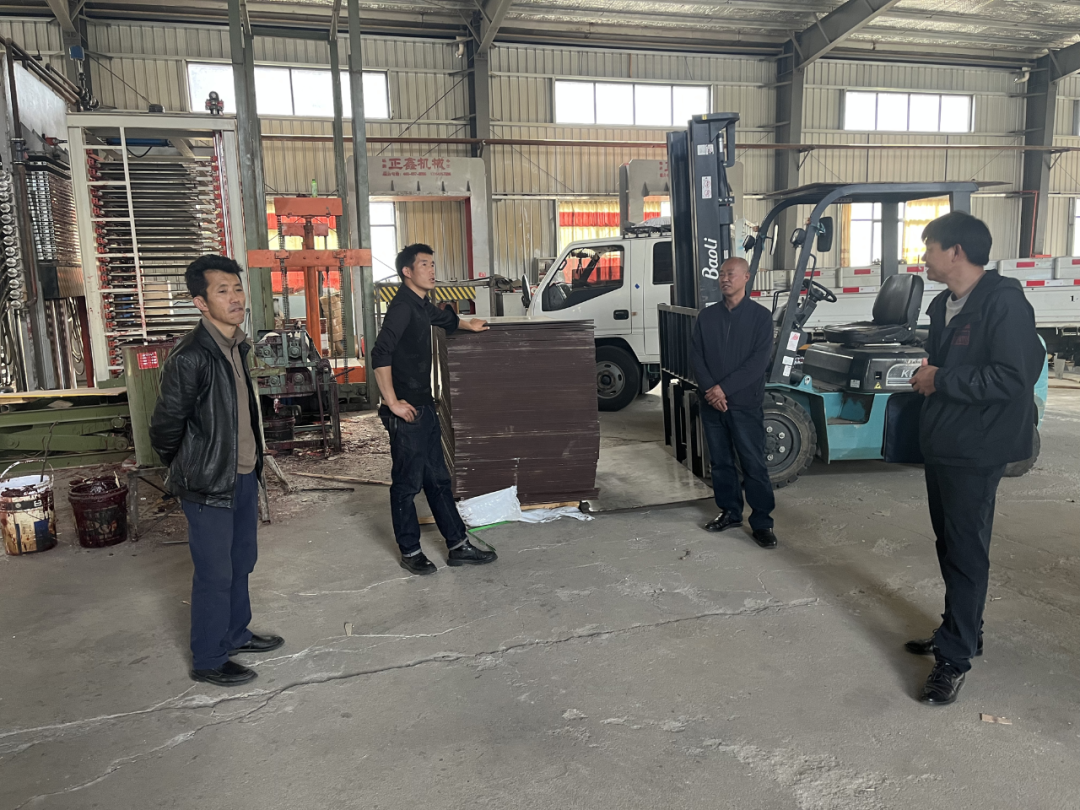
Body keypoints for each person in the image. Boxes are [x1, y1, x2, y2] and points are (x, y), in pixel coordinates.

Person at [907, 211, 1044, 706]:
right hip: (944, 441)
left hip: (978, 447)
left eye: (929, 248)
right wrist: (932, 374)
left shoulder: (1003, 303)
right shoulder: (943, 304)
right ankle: (962, 629)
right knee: (950, 544)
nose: (924, 258)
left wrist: (940, 378)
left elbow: (1014, 376)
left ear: (956, 252)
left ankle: (955, 658)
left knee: (966, 551)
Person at [149, 255, 283, 687]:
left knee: (241, 560)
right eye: (222, 291)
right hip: (209, 483)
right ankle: (208, 658)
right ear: (201, 303)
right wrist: (192, 467)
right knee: (214, 573)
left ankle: (235, 633)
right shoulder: (191, 356)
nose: (235, 298)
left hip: (242, 474)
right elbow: (165, 427)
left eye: (237, 288)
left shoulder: (237, 346)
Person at [372, 244, 496, 575]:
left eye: (432, 264)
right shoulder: (402, 307)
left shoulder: (420, 304)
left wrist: (468, 325)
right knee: (407, 485)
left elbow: (442, 318)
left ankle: (458, 546)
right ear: (407, 272)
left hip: (424, 407)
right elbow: (380, 352)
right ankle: (410, 551)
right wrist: (392, 402)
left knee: (439, 480)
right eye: (424, 264)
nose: (431, 270)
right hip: (407, 412)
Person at [691, 256, 779, 549]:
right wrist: (711, 391)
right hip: (711, 404)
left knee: (753, 463)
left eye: (730, 273)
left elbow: (758, 363)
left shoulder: (760, 317)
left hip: (744, 403)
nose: (724, 279)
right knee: (721, 463)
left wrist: (723, 389)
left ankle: (762, 522)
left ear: (746, 278)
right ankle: (730, 512)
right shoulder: (707, 317)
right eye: (721, 274)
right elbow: (696, 357)